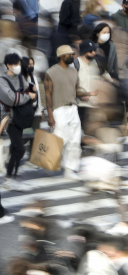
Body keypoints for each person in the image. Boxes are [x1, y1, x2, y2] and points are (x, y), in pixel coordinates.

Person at [45, 45, 91, 179]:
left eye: (72, 54)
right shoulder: (51, 72)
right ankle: (48, 162)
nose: (72, 56)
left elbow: (76, 90)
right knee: (61, 139)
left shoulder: (74, 71)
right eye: (69, 55)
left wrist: (85, 94)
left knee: (75, 140)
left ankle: (69, 170)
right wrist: (50, 115)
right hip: (59, 109)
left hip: (73, 108)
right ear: (61, 56)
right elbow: (48, 95)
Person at [0, 53, 36, 190]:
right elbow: (11, 98)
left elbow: (29, 91)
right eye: (16, 64)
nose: (19, 67)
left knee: (15, 148)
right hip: (9, 119)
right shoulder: (2, 81)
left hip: (20, 117)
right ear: (8, 65)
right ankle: (9, 178)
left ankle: (11, 177)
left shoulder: (20, 78)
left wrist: (31, 92)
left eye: (19, 64)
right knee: (20, 148)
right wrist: (28, 95)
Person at [21, 57, 43, 130]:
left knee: (36, 137)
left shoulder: (34, 78)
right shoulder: (20, 78)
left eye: (32, 64)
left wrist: (40, 110)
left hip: (35, 112)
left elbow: (38, 95)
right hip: (24, 114)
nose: (31, 66)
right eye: (29, 64)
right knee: (25, 137)